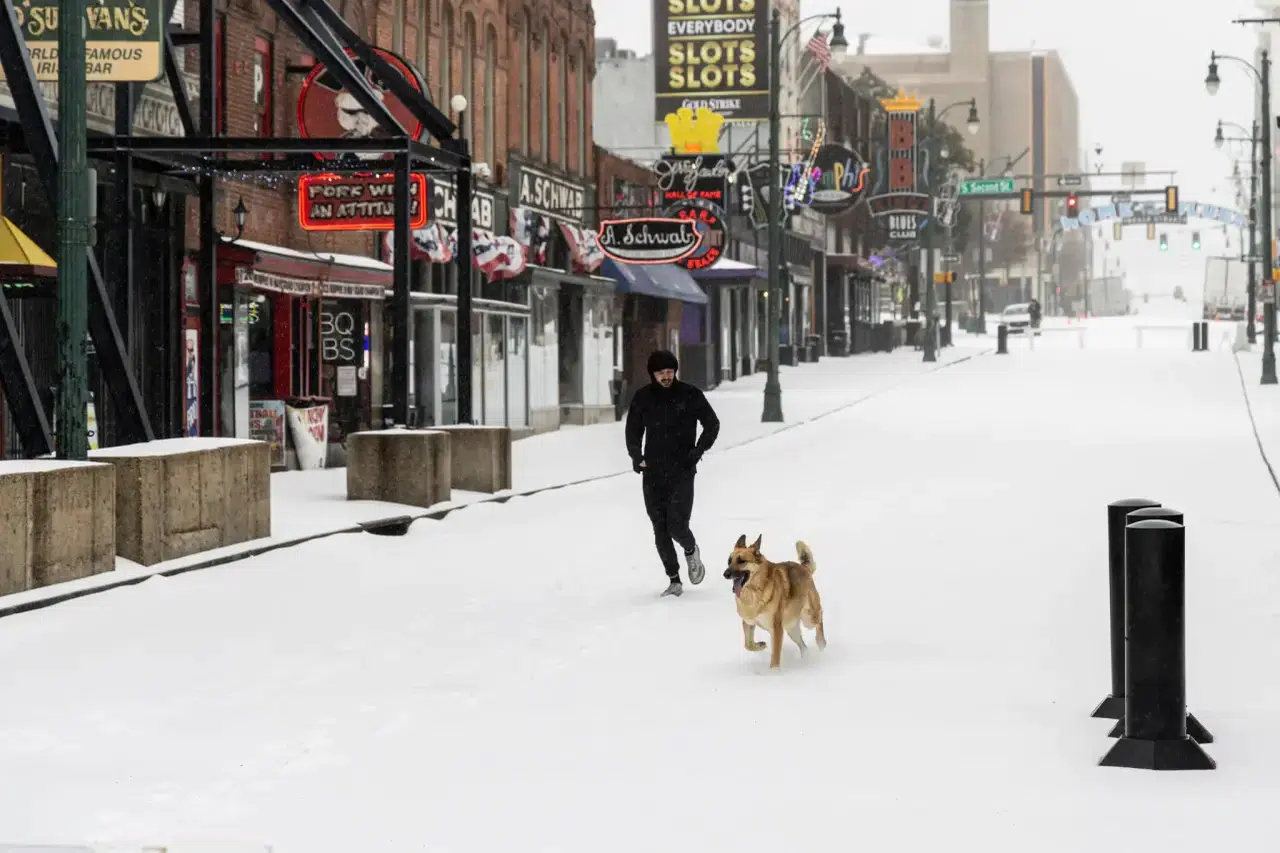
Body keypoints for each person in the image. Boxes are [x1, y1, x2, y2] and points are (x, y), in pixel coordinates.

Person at [625, 349, 720, 598]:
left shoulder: (690, 395)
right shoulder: (643, 398)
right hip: (653, 472)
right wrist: (637, 456)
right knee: (660, 528)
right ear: (652, 374)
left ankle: (690, 550)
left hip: (682, 470)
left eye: (670, 372)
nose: (667, 377)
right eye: (661, 373)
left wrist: (698, 451)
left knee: (677, 525)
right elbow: (632, 430)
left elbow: (712, 424)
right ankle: (674, 580)